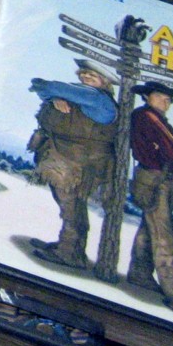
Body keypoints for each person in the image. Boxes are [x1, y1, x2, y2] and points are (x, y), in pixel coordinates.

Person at [26, 58, 119, 270]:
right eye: (83, 73)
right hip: (68, 160)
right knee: (68, 204)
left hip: (79, 165)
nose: (86, 77)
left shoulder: (98, 99)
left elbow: (43, 85)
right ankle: (68, 245)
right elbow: (44, 89)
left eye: (92, 75)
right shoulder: (82, 95)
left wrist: (55, 93)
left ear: (105, 82)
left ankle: (70, 253)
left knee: (70, 205)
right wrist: (56, 97)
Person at [126, 81, 173, 324]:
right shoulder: (147, 117)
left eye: (168, 99)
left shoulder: (156, 118)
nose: (165, 102)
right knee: (164, 237)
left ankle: (139, 274)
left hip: (161, 179)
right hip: (155, 178)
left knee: (149, 229)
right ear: (148, 97)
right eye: (160, 96)